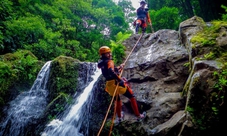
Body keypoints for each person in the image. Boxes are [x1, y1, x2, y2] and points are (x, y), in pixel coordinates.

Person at [97, 46, 146, 123]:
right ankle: (138, 115)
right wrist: (120, 80)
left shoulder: (101, 63)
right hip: (116, 83)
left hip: (109, 85)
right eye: (108, 53)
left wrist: (120, 67)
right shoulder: (110, 62)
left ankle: (119, 118)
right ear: (106, 54)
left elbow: (109, 71)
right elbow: (111, 72)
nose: (110, 54)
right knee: (131, 96)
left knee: (117, 100)